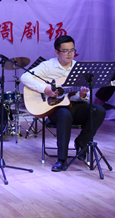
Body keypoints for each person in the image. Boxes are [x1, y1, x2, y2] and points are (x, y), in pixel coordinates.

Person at [20, 35, 105, 172]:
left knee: (99, 111)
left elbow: (85, 96)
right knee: (65, 115)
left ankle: (82, 142)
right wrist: (45, 89)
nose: (70, 54)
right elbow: (25, 77)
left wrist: (83, 95)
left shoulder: (78, 68)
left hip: (76, 106)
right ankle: (61, 160)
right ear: (57, 52)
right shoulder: (48, 66)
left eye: (72, 50)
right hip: (55, 108)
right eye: (65, 51)